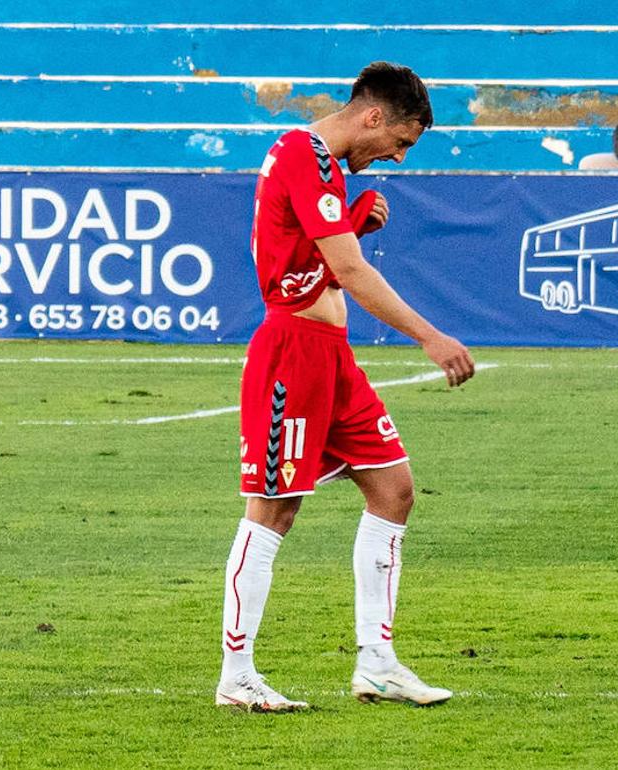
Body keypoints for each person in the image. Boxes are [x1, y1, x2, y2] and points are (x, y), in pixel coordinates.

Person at [215, 61, 476, 711]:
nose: (398, 156)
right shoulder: (301, 156)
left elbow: (308, 252)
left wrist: (354, 219)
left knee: (394, 488)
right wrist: (429, 335)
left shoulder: (325, 167)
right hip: (291, 359)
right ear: (373, 116)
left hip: (333, 358)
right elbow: (349, 273)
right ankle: (237, 673)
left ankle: (378, 663)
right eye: (401, 141)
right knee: (274, 510)